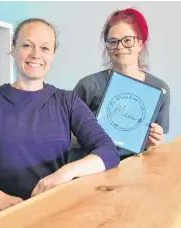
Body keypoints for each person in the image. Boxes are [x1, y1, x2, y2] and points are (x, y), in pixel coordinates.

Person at [0, 18, 120, 213]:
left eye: (45, 48)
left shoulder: (67, 101)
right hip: (1, 213)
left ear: (52, 54)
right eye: (27, 45)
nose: (36, 55)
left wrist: (66, 172)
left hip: (53, 211)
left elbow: (108, 151)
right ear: (13, 48)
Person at [71, 8, 171, 160]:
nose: (120, 46)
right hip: (91, 168)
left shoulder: (159, 89)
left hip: (135, 169)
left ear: (140, 44)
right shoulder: (88, 85)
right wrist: (91, 135)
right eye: (113, 41)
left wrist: (154, 142)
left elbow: (153, 147)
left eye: (127, 40)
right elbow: (65, 136)